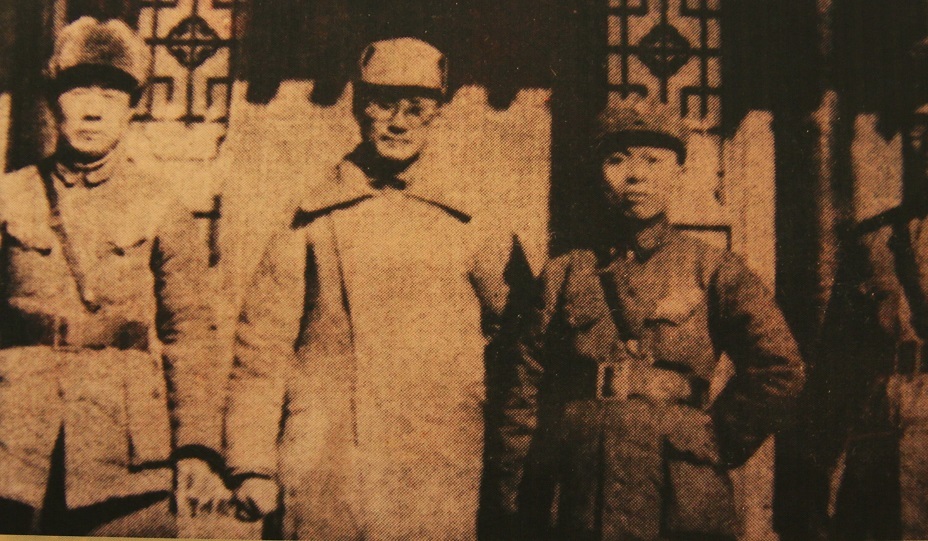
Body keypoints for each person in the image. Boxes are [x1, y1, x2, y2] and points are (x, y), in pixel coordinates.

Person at [221, 37, 517, 540]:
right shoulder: (311, 219)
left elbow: (518, 341)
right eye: (383, 105)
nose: (399, 123)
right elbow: (262, 349)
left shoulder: (473, 222)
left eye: (416, 108)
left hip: (436, 462)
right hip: (328, 459)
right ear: (358, 107)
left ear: (438, 114)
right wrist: (252, 464)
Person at [498, 100, 805, 540]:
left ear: (679, 171)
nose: (635, 176)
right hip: (582, 484)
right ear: (598, 173)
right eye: (617, 160)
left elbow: (780, 369)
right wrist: (515, 496)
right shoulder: (564, 273)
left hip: (678, 488)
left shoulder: (714, 269)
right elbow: (524, 390)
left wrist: (712, 441)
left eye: (652, 161)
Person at [0, 17, 222, 536]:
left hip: (123, 445)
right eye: (78, 91)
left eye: (111, 94)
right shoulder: (10, 197)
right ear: (54, 101)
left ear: (132, 107)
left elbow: (190, 332)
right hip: (16, 437)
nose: (93, 109)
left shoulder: (160, 204)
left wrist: (195, 447)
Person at [810, 38, 928, 540]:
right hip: (883, 439)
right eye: (919, 124)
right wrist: (819, 469)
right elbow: (836, 365)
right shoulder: (874, 240)